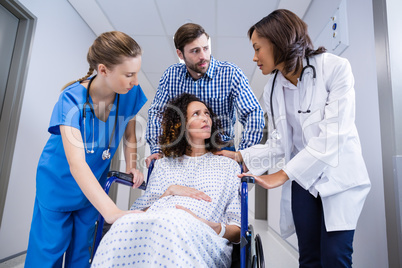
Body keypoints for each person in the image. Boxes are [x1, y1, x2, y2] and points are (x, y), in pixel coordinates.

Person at [216, 9, 371, 268]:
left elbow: (332, 137)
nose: (254, 57)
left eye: (258, 48)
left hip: (338, 177)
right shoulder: (272, 89)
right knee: (309, 257)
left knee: (336, 257)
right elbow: (279, 142)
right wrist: (241, 155)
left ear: (278, 41)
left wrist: (282, 174)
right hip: (303, 181)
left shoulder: (334, 68)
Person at [25, 31, 148, 268]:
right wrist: (111, 211)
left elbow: (130, 133)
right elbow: (77, 164)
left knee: (82, 252)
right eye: (129, 74)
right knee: (48, 252)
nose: (136, 81)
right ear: (103, 70)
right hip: (58, 183)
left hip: (93, 187)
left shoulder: (129, 94)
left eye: (137, 73)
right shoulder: (71, 100)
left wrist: (132, 165)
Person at [91, 93, 242, 267]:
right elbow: (140, 213)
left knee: (171, 222)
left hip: (200, 234)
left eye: (207, 113)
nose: (205, 118)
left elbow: (238, 228)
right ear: (181, 125)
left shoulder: (227, 166)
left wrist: (214, 227)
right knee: (123, 225)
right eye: (196, 114)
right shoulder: (163, 165)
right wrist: (169, 192)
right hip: (158, 223)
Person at [145, 22, 265, 166]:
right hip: (183, 150)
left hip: (221, 149)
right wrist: (157, 150)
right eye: (195, 51)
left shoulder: (230, 73)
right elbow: (157, 113)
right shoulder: (172, 75)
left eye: (206, 48)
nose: (203, 56)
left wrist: (243, 153)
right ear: (180, 54)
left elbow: (253, 113)